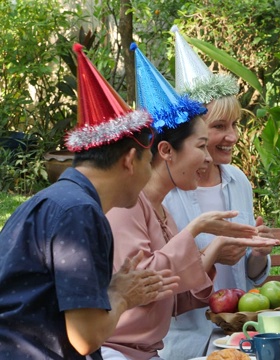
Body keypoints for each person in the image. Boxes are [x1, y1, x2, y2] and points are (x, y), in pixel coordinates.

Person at [0, 44, 179, 360]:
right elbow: (86, 338)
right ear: (128, 160)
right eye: (148, 162)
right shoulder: (80, 213)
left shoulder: (52, 200)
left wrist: (113, 289)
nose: (150, 175)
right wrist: (122, 295)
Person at [100, 44, 279, 360]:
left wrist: (245, 254)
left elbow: (178, 294)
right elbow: (145, 285)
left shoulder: (163, 212)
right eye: (203, 143)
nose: (209, 157)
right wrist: (202, 239)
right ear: (167, 150)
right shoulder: (127, 205)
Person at [159, 27, 274, 359]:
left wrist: (258, 255)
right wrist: (214, 252)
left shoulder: (237, 180)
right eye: (220, 126)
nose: (233, 136)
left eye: (235, 125)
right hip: (186, 341)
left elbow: (246, 277)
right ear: (192, 131)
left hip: (238, 335)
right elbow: (163, 277)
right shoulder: (165, 193)